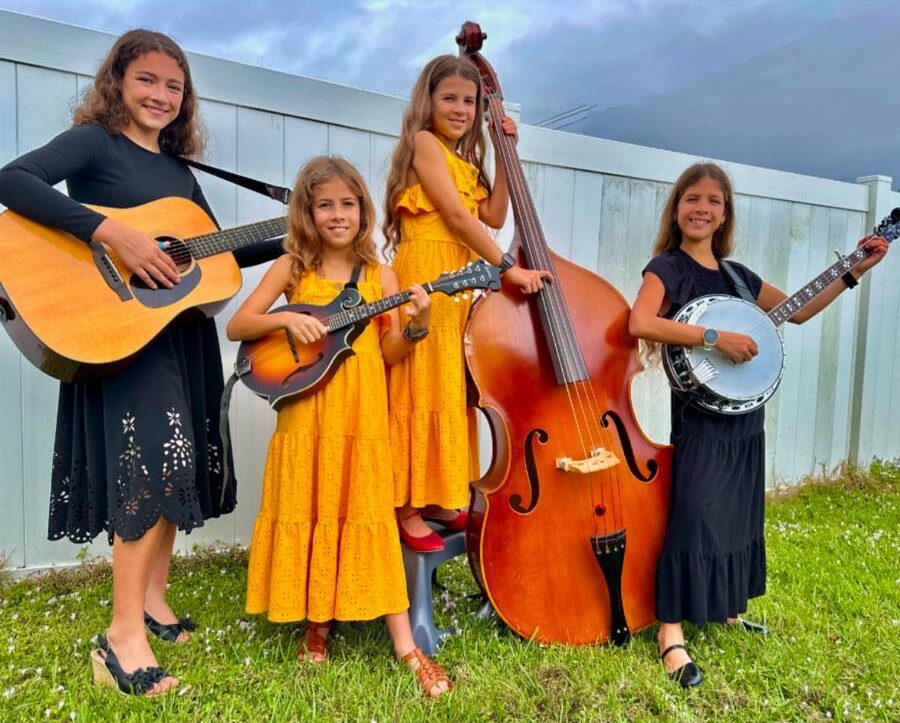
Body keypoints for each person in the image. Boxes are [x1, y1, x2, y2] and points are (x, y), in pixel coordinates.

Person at [0, 29, 281, 696]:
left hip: (175, 332)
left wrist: (291, 236)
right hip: (120, 333)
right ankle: (121, 639)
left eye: (174, 86)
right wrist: (114, 234)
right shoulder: (95, 143)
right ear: (118, 82)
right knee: (154, 464)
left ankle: (153, 600)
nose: (161, 95)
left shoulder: (181, 174)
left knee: (179, 463)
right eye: (147, 80)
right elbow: (12, 180)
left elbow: (210, 252)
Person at [628, 162, 889, 688]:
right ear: (676, 209)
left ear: (725, 214)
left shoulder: (738, 277)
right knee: (695, 512)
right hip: (700, 417)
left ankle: (725, 608)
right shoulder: (667, 268)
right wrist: (714, 338)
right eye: (692, 199)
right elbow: (641, 322)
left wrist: (855, 270)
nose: (702, 209)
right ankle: (670, 632)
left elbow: (797, 310)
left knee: (738, 514)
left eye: (714, 201)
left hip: (746, 414)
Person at [228, 156, 452, 697]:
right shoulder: (292, 267)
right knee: (312, 506)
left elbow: (391, 351)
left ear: (363, 210)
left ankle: (407, 646)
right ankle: (317, 626)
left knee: (367, 512)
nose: (337, 215)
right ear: (307, 213)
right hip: (306, 413)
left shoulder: (381, 276)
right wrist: (287, 318)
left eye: (347, 204)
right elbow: (238, 324)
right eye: (324, 205)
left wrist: (418, 326)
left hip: (362, 415)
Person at [382, 54, 552, 551]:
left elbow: (493, 215)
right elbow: (458, 218)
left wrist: (504, 150)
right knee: (419, 385)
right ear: (428, 101)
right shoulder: (424, 143)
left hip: (458, 283)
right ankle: (405, 505)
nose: (460, 109)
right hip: (428, 276)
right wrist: (508, 268)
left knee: (451, 387)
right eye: (449, 98)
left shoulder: (467, 163)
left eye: (470, 101)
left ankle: (436, 496)